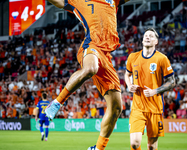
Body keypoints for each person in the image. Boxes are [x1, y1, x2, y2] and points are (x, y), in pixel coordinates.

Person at [45, 0, 130, 149]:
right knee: (90, 69)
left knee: (117, 108)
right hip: (92, 46)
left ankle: (97, 148)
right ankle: (57, 103)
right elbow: (58, 2)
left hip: (106, 55)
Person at [124, 28, 176, 150]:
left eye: (151, 36)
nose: (147, 37)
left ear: (156, 41)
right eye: (146, 35)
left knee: (151, 146)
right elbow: (127, 74)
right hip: (138, 107)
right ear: (142, 40)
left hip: (155, 108)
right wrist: (129, 85)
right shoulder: (133, 57)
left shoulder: (162, 59)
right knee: (135, 143)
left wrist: (155, 91)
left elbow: (172, 82)